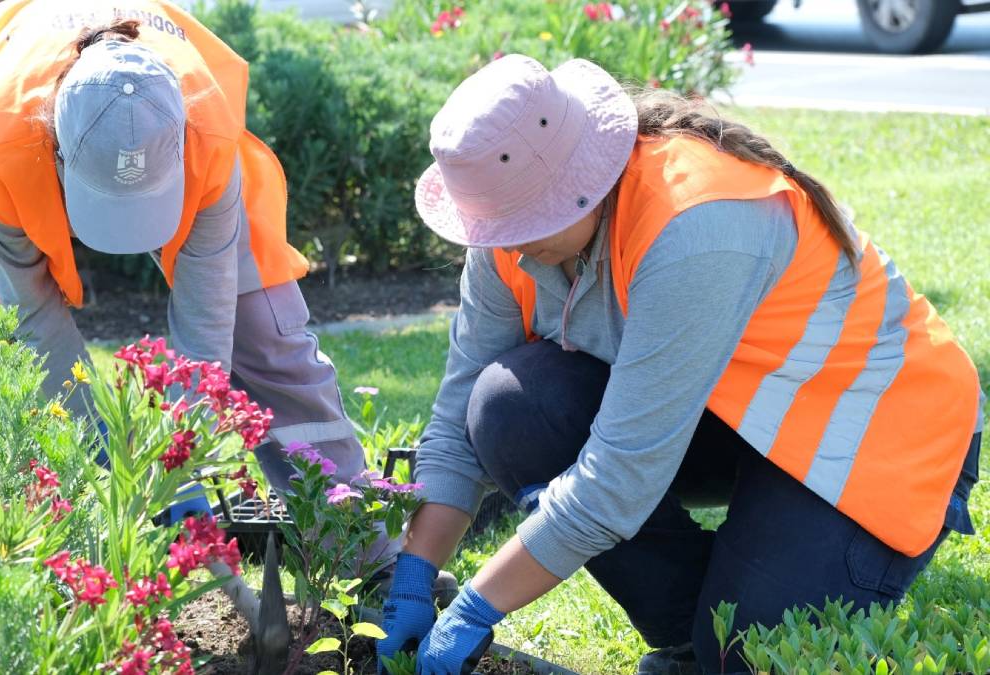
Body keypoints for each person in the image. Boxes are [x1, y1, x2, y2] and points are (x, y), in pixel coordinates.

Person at [377, 54, 982, 674]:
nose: (504, 244)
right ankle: (703, 632)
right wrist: (414, 575)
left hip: (867, 435)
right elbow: (457, 421)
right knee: (510, 406)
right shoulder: (507, 231)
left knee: (749, 655)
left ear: (582, 181)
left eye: (521, 225)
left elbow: (617, 480)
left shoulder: (696, 226)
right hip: (733, 413)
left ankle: (729, 634)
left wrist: (477, 608)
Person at [0, 0, 387, 544]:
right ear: (60, 157)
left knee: (265, 332)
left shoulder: (207, 133)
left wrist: (177, 453)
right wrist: (107, 455)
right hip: (4, 126)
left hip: (187, 138)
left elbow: (207, 318)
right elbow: (33, 325)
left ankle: (362, 552)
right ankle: (22, 568)